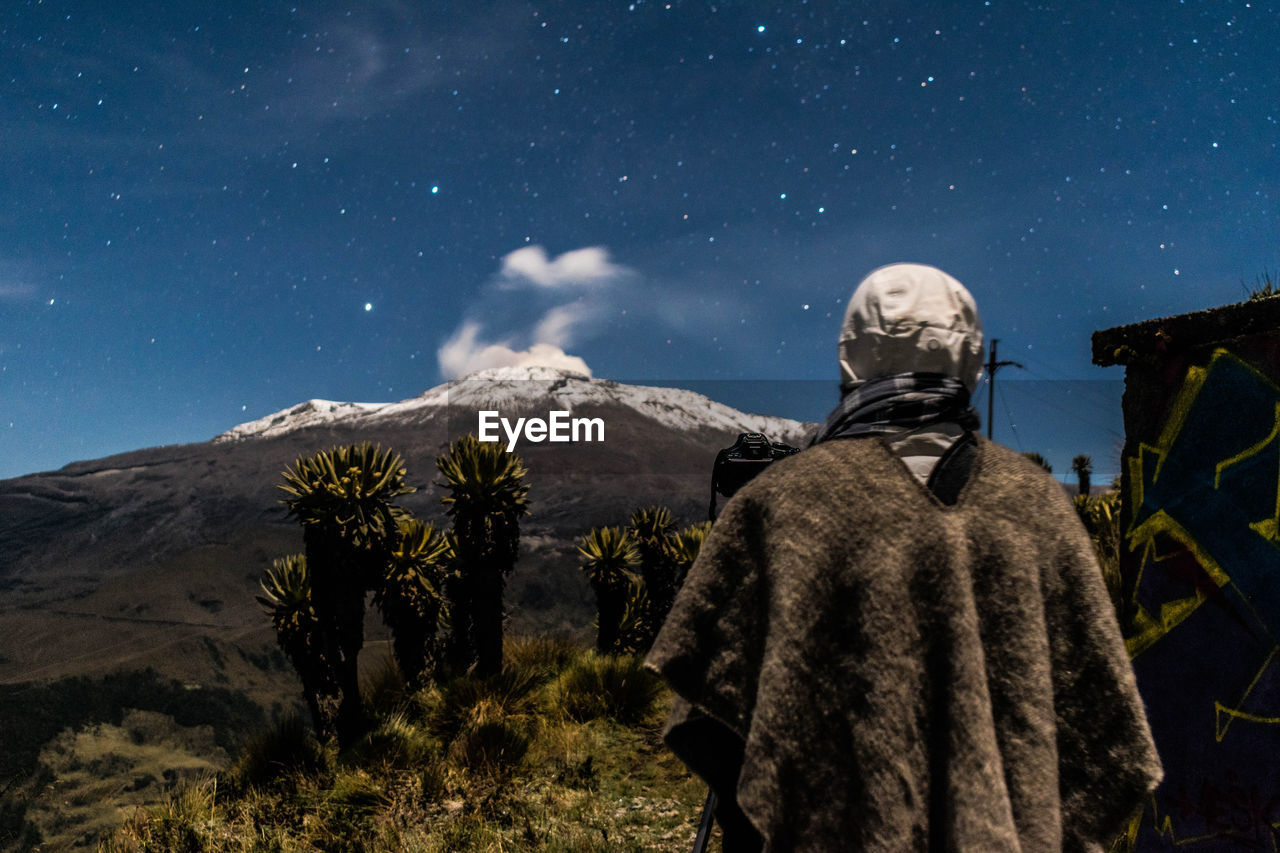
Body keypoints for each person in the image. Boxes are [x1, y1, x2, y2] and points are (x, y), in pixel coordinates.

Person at [645, 263, 1161, 852]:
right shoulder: (1038, 506)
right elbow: (1107, 742)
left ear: (849, 360)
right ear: (969, 363)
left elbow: (709, 725)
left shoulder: (774, 504)